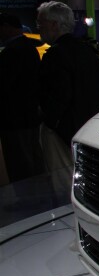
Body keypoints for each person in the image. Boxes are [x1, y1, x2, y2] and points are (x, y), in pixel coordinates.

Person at [36, 1, 99, 170]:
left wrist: (51, 122)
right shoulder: (87, 51)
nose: (39, 28)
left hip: (62, 130)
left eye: (41, 23)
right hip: (88, 126)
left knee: (62, 177)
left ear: (54, 24)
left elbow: (59, 94)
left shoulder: (55, 54)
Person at [0, 12, 45, 182]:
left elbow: (6, 85)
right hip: (30, 113)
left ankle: (28, 200)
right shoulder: (29, 48)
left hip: (14, 116)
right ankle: (40, 195)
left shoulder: (12, 52)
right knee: (32, 155)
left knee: (20, 159)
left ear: (6, 27)